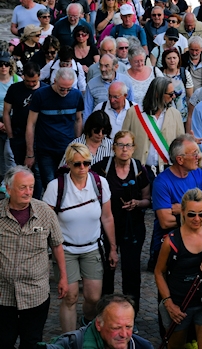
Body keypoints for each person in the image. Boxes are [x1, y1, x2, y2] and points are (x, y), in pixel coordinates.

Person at [43, 143, 118, 332]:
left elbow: (107, 217)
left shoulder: (100, 183)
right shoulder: (56, 187)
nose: (82, 168)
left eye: (86, 163)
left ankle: (86, 325)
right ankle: (69, 339)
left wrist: (113, 248)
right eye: (77, 164)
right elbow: (46, 222)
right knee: (70, 296)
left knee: (94, 297)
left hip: (92, 247)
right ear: (68, 164)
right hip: (65, 249)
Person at [0, 166, 68, 349]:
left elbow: (57, 245)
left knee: (31, 342)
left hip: (35, 293)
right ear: (8, 189)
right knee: (4, 341)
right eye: (23, 187)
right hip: (3, 294)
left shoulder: (45, 212)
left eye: (31, 187)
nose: (28, 192)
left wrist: (63, 277)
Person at [154, 188, 202, 349]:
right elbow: (159, 272)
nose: (197, 219)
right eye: (192, 214)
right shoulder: (171, 241)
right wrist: (168, 303)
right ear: (183, 212)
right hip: (179, 305)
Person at [91, 130, 151, 314]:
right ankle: (104, 313)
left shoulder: (139, 168)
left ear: (134, 148)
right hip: (106, 227)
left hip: (133, 228)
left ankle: (131, 313)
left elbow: (147, 199)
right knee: (107, 270)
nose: (124, 149)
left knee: (131, 272)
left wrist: (137, 203)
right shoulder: (101, 168)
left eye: (128, 145)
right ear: (113, 147)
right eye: (120, 145)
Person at [150, 134, 202, 273]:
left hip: (197, 242)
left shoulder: (199, 174)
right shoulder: (161, 182)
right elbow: (165, 221)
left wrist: (182, 210)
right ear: (180, 159)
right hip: (171, 246)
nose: (199, 157)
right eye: (194, 154)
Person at [26, 68, 83, 195]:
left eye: (69, 88)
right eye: (62, 88)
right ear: (55, 81)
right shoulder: (41, 95)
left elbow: (78, 120)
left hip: (68, 149)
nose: (65, 92)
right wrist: (30, 153)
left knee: (69, 186)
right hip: (46, 149)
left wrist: (77, 146)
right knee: (50, 186)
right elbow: (31, 124)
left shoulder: (76, 95)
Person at [121, 76, 185, 180]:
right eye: (170, 94)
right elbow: (123, 140)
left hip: (167, 170)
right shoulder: (133, 112)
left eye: (174, 93)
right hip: (140, 171)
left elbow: (180, 144)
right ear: (157, 94)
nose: (173, 96)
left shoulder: (175, 114)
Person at [4, 64, 42, 191]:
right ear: (23, 77)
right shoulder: (14, 89)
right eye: (27, 81)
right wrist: (10, 136)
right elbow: (6, 113)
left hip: (40, 136)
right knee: (23, 170)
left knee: (38, 172)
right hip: (19, 135)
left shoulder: (45, 90)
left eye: (34, 81)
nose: (31, 84)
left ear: (39, 77)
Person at [84, 54, 135, 119]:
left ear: (116, 67)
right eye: (101, 65)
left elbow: (131, 107)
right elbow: (87, 112)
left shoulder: (126, 81)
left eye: (106, 66)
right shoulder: (91, 84)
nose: (102, 69)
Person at [160, 47, 193, 124]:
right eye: (169, 58)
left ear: (178, 59)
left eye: (174, 58)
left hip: (182, 118)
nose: (172, 61)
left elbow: (190, 96)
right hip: (164, 117)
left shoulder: (185, 73)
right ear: (164, 60)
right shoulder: (159, 74)